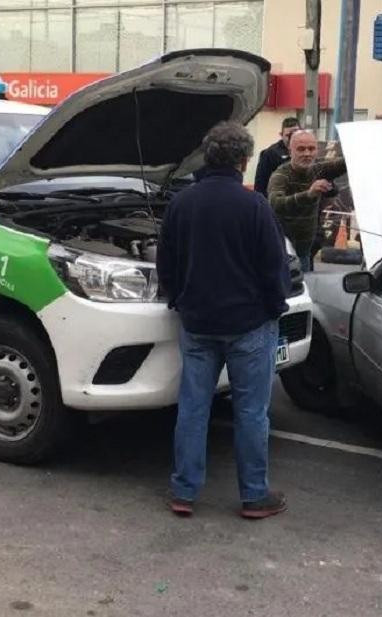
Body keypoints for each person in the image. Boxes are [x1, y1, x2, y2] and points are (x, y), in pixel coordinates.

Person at [156, 121, 290, 520]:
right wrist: (274, 307)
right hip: (249, 325)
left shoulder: (182, 204)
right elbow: (273, 268)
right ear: (244, 160)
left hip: (197, 323)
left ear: (207, 155)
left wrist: (179, 299)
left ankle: (184, 491)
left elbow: (167, 263)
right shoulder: (254, 206)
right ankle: (254, 496)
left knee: (193, 408)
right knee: (251, 412)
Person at [267, 130, 347, 272]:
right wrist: (309, 194)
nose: (307, 153)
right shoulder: (280, 175)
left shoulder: (318, 169)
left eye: (311, 149)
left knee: (307, 287)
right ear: (290, 151)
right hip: (282, 250)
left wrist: (377, 131)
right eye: (301, 149)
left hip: (306, 249)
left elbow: (347, 162)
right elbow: (275, 203)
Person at [253, 117, 299, 196]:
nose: (292, 138)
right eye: (288, 135)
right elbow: (260, 185)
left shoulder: (307, 151)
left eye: (295, 134)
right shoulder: (270, 154)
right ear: (281, 135)